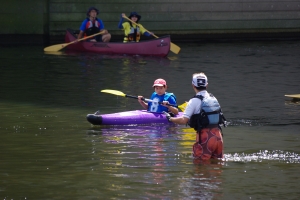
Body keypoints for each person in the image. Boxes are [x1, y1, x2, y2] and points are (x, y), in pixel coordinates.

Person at [165, 73, 227, 161]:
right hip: (218, 137)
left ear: (193, 85)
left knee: (199, 169)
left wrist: (170, 118)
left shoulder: (194, 101)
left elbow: (184, 120)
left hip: (205, 138)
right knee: (217, 167)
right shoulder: (213, 98)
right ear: (207, 85)